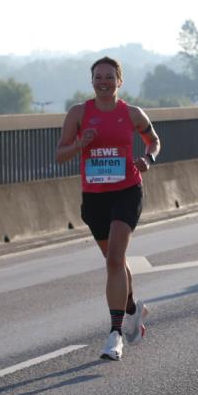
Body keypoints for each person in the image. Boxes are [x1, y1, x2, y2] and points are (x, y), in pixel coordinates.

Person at [56, 57, 159, 360]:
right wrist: (80, 144)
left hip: (127, 191)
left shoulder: (131, 113)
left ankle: (115, 335)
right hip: (95, 197)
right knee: (115, 260)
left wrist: (148, 158)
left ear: (119, 81)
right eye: (98, 77)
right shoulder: (78, 113)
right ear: (92, 81)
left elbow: (153, 140)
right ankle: (132, 308)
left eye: (110, 77)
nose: (104, 82)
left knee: (114, 259)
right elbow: (60, 154)